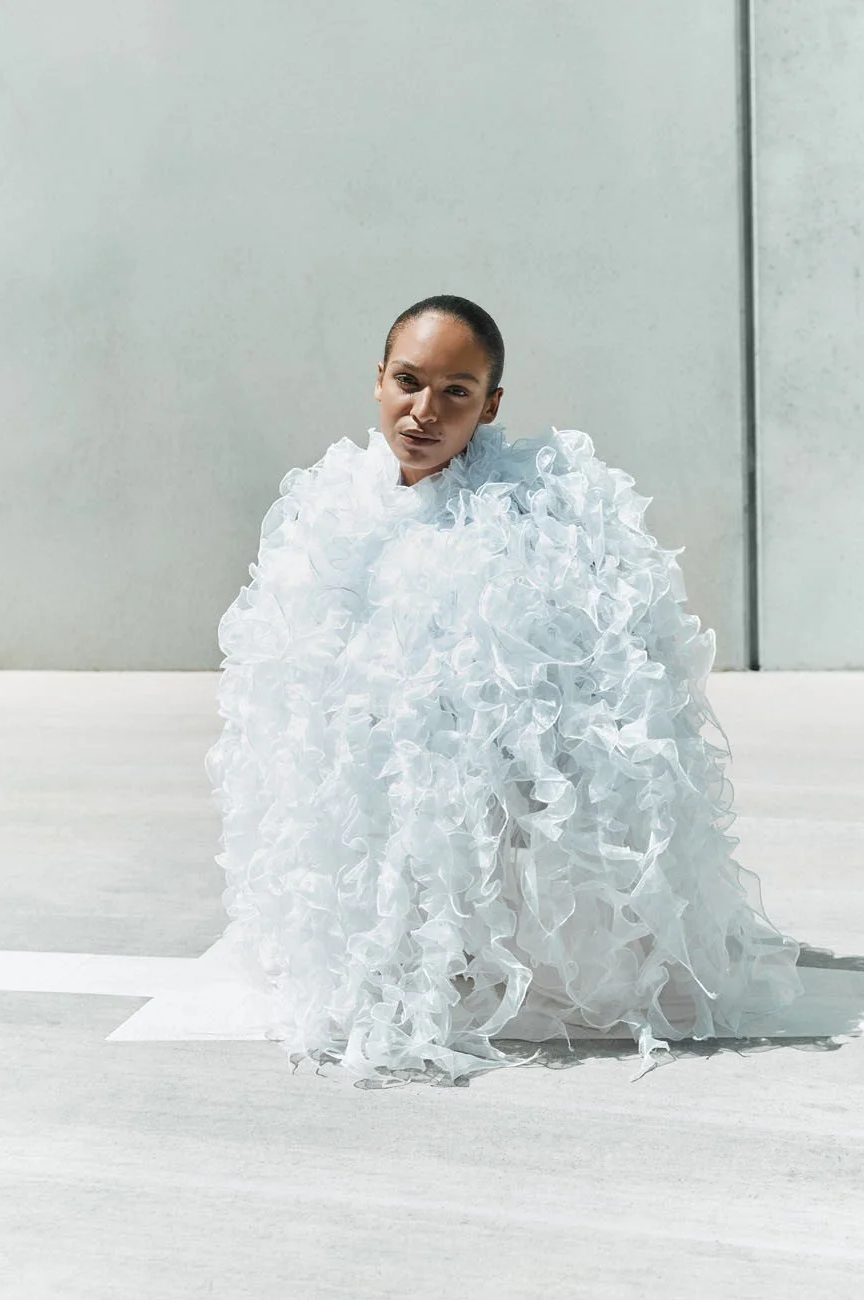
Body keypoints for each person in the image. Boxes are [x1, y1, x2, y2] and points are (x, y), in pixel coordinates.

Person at [205, 293, 803, 1087]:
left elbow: (585, 687)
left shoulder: (530, 512)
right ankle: (406, 942)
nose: (425, 411)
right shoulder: (329, 512)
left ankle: (480, 943)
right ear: (378, 381)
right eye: (409, 382)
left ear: (490, 405)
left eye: (456, 391)